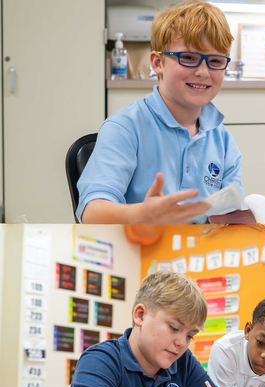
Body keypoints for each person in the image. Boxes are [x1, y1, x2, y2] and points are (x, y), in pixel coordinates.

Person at [77, 0, 243, 224]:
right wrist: (141, 215)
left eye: (215, 61)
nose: (203, 72)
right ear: (158, 63)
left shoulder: (223, 141)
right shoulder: (125, 128)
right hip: (140, 252)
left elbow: (230, 214)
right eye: (189, 58)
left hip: (201, 255)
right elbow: (92, 213)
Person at [68, 270, 252, 387]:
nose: (182, 343)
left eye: (190, 336)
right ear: (140, 315)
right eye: (174, 328)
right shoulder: (101, 359)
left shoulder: (183, 363)